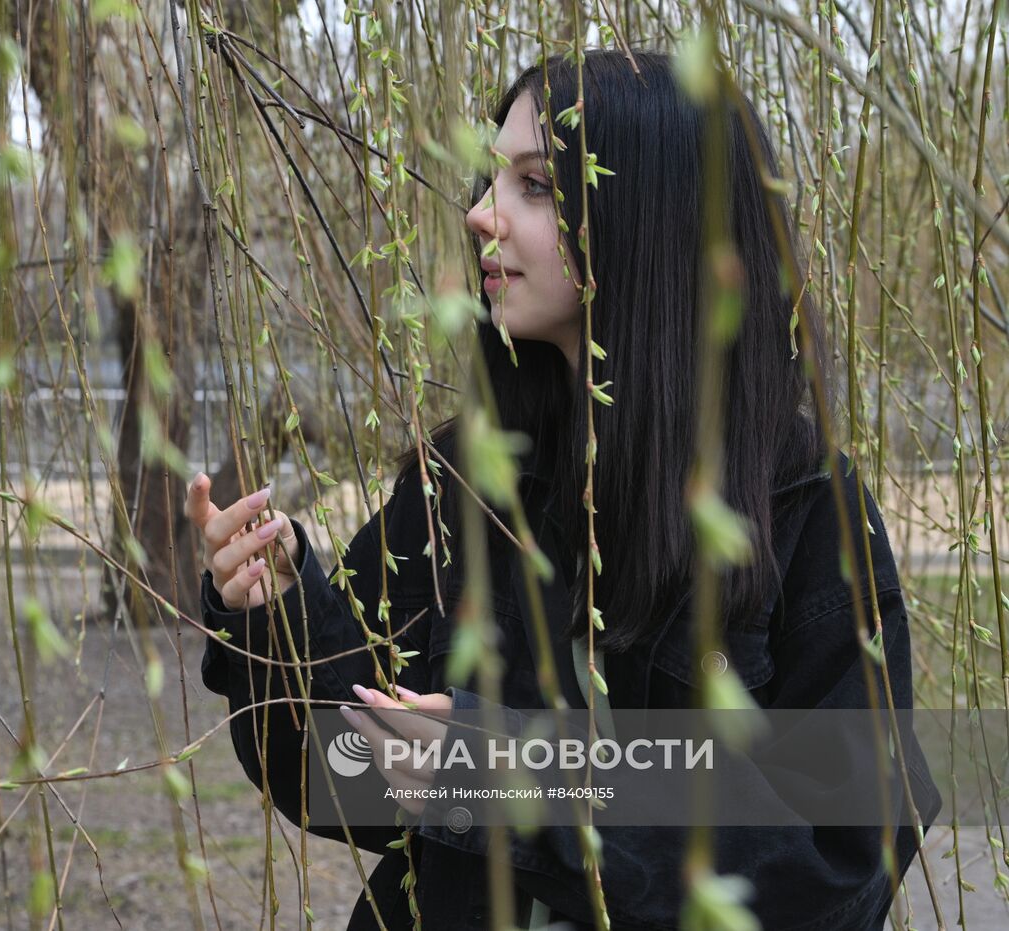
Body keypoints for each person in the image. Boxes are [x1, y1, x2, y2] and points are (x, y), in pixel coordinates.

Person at [186, 49, 941, 930]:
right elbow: (341, 778)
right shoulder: (457, 483)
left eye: (536, 185)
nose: (480, 213)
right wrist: (279, 615)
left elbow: (841, 863)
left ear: (651, 217)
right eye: (490, 179)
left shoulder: (804, 508)